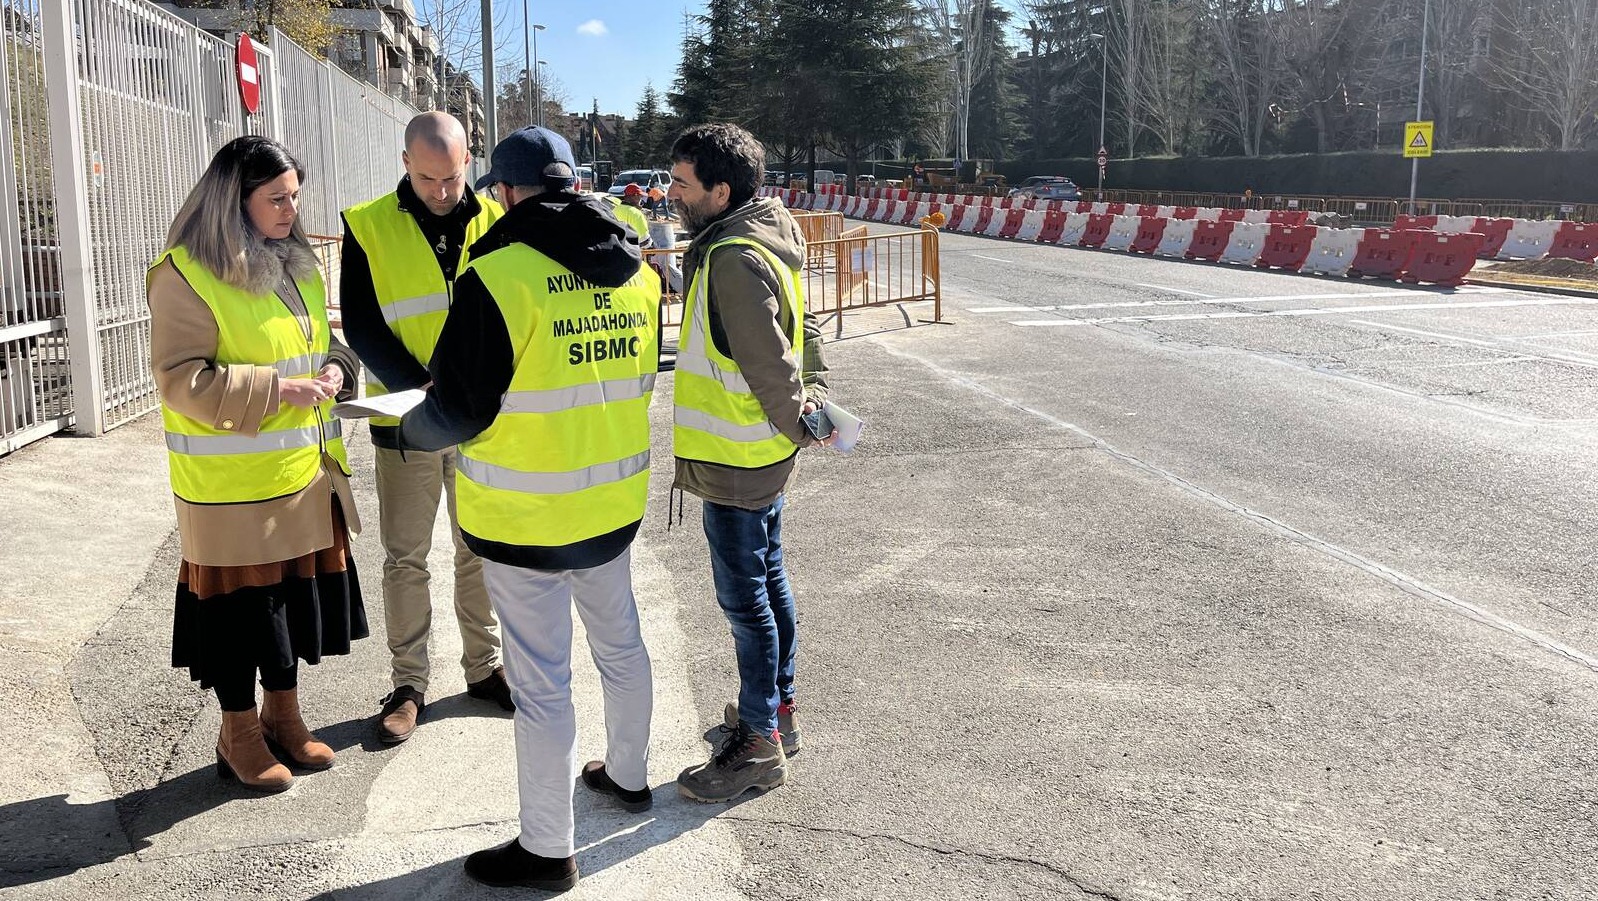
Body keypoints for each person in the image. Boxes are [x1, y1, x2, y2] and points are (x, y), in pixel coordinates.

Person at [397, 126, 659, 891]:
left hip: (525, 520)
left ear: (504, 193)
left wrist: (410, 425)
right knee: (622, 643)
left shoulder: (498, 277)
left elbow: (460, 408)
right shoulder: (636, 272)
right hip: (610, 505)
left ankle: (547, 850)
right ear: (572, 184)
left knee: (543, 683)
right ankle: (631, 775)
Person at [147, 135, 367, 793]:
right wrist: (277, 390)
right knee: (240, 616)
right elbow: (181, 380)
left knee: (288, 608)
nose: (290, 210)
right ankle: (238, 731)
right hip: (228, 488)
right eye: (276, 198)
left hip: (300, 475)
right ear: (232, 201)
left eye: (296, 196)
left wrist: (336, 367)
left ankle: (284, 715)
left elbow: (324, 341)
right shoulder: (183, 273)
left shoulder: (297, 263)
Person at [665, 123, 831, 803]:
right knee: (769, 581)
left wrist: (799, 415)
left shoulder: (732, 256)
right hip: (759, 457)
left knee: (746, 604)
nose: (668, 192)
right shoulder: (765, 233)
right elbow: (807, 331)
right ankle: (777, 713)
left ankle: (758, 742)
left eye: (680, 182)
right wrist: (810, 409)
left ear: (720, 190)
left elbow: (768, 361)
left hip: (738, 462)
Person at [341, 111, 510, 745]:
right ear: (405, 162)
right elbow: (361, 323)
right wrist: (422, 383)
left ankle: (483, 669)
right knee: (405, 557)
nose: (442, 190)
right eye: (428, 177)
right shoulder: (368, 226)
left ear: (470, 159)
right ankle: (408, 683)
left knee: (478, 548)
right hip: (408, 418)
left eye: (454, 175)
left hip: (478, 421)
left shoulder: (497, 222)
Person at [608, 183, 652, 247]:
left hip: (615, 250)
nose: (641, 198)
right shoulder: (636, 213)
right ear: (635, 196)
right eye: (640, 196)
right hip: (631, 252)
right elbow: (645, 242)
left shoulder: (614, 208)